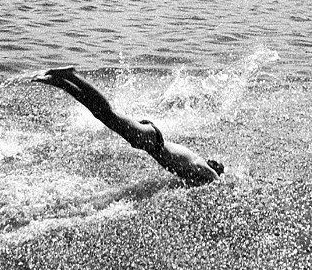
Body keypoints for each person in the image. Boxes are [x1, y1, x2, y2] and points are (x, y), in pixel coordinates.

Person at [32, 67, 224, 186]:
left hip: (150, 139)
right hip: (151, 140)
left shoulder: (192, 168)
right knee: (108, 113)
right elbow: (218, 183)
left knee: (101, 115)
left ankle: (59, 81)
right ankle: (72, 75)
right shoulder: (202, 168)